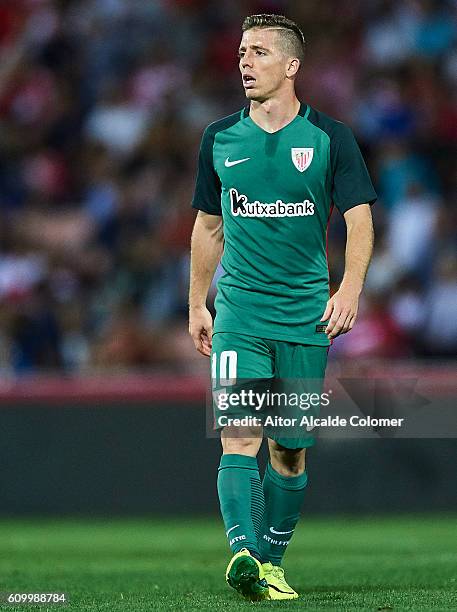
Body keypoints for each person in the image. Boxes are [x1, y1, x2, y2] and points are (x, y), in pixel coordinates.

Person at [189, 13, 376, 602]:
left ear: (291, 66)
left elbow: (359, 219)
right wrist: (199, 301)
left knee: (289, 448)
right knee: (238, 434)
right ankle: (243, 553)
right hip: (239, 312)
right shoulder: (219, 138)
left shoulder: (330, 137)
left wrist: (348, 291)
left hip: (303, 316)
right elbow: (208, 225)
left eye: (260, 52)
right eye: (242, 51)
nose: (245, 61)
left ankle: (269, 558)